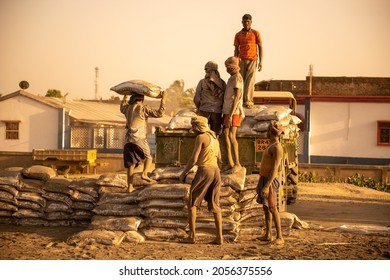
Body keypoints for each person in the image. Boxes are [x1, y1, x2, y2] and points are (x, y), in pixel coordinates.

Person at [179, 116, 223, 245]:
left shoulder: (201, 137)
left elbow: (194, 159)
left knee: (192, 203)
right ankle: (219, 237)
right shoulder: (215, 138)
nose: (192, 129)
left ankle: (192, 236)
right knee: (216, 205)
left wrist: (183, 173)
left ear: (198, 127)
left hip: (205, 170)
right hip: (216, 171)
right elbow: (219, 158)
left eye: (193, 126)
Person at [120, 91, 167, 192]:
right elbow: (159, 113)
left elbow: (122, 107)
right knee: (149, 157)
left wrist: (124, 96)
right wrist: (163, 99)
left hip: (128, 140)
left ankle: (130, 186)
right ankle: (144, 174)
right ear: (141, 100)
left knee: (130, 164)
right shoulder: (143, 108)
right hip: (139, 138)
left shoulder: (127, 108)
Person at [256, 120, 284, 245]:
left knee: (273, 208)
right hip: (264, 178)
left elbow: (274, 169)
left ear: (270, 133)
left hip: (270, 181)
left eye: (267, 130)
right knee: (266, 208)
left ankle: (280, 237)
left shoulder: (277, 148)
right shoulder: (271, 145)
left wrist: (267, 186)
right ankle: (268, 234)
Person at [234, 13, 263, 109]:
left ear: (251, 22)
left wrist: (261, 62)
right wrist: (235, 62)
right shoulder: (238, 35)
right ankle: (240, 100)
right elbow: (236, 49)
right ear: (242, 22)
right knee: (240, 80)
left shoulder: (255, 33)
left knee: (250, 81)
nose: (246, 23)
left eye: (248, 21)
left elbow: (260, 47)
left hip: (252, 59)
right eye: (244, 21)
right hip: (241, 60)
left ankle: (248, 101)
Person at [222, 56, 243, 174]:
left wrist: (230, 115)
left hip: (233, 112)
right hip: (227, 111)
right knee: (225, 134)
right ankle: (229, 162)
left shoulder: (237, 78)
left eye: (228, 67)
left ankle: (237, 163)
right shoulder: (231, 78)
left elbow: (237, 98)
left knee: (231, 136)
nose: (227, 70)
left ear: (234, 67)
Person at [193, 61, 226, 136]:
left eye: (206, 69)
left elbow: (196, 99)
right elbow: (225, 99)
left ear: (209, 70)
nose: (205, 71)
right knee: (215, 135)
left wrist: (200, 108)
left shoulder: (202, 82)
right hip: (217, 112)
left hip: (204, 111)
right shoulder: (222, 83)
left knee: (201, 133)